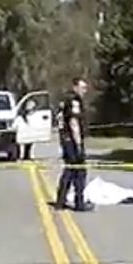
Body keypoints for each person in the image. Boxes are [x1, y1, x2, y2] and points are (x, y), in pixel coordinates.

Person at [55, 77, 94, 212]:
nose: (85, 91)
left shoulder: (64, 99)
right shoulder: (74, 100)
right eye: (82, 88)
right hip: (72, 140)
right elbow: (74, 122)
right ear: (75, 87)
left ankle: (60, 201)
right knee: (80, 171)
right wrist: (78, 143)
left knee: (69, 170)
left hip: (65, 139)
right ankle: (79, 202)